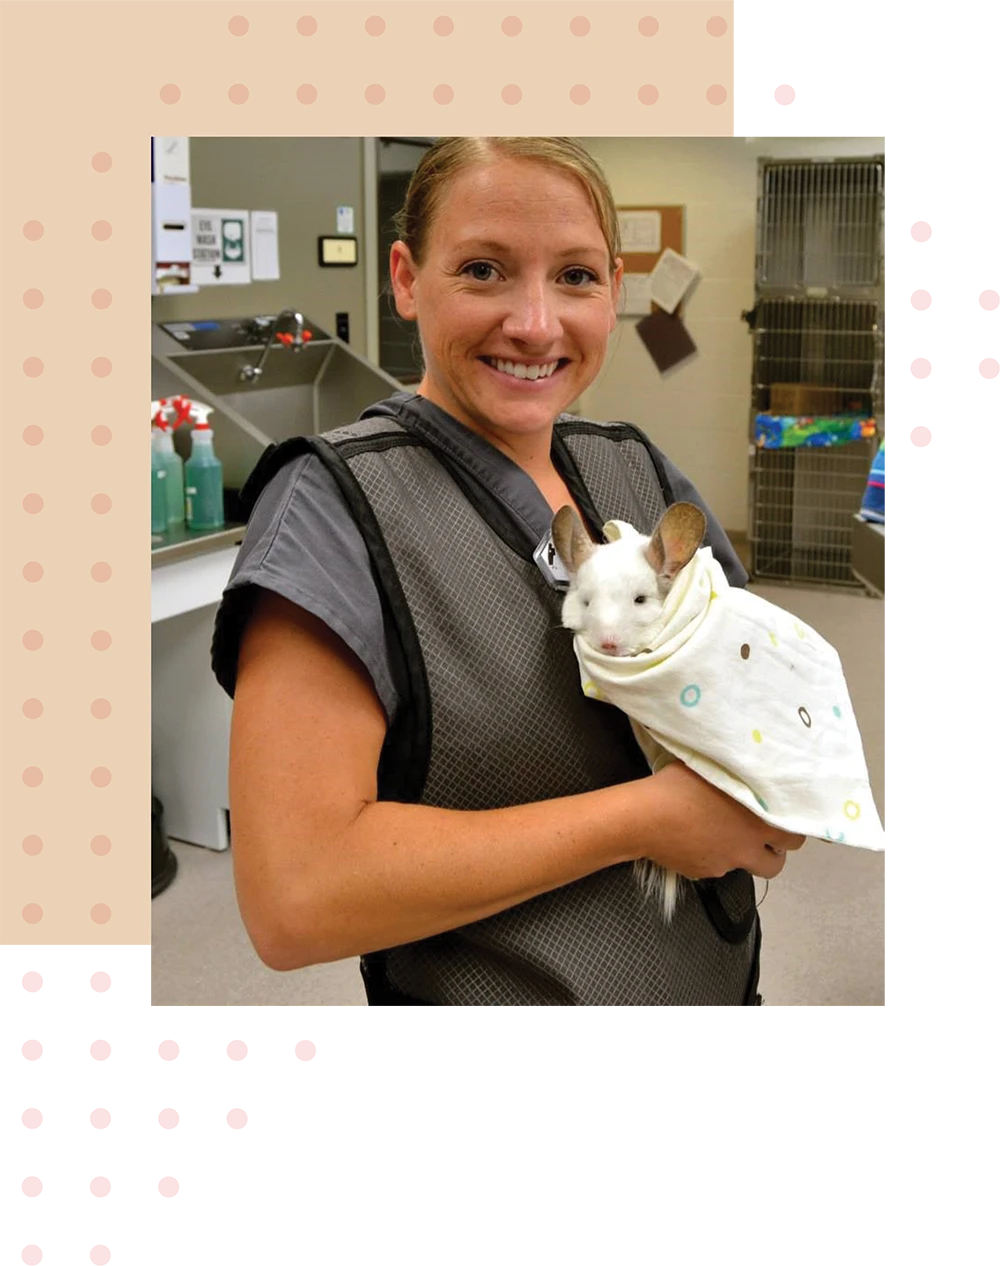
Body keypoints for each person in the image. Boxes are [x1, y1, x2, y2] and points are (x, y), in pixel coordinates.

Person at [212, 137, 805, 1007]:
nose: (535, 323)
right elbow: (295, 899)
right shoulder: (333, 512)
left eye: (575, 276)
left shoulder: (636, 474)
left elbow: (762, 686)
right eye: (484, 270)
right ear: (407, 278)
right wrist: (651, 821)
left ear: (615, 287)